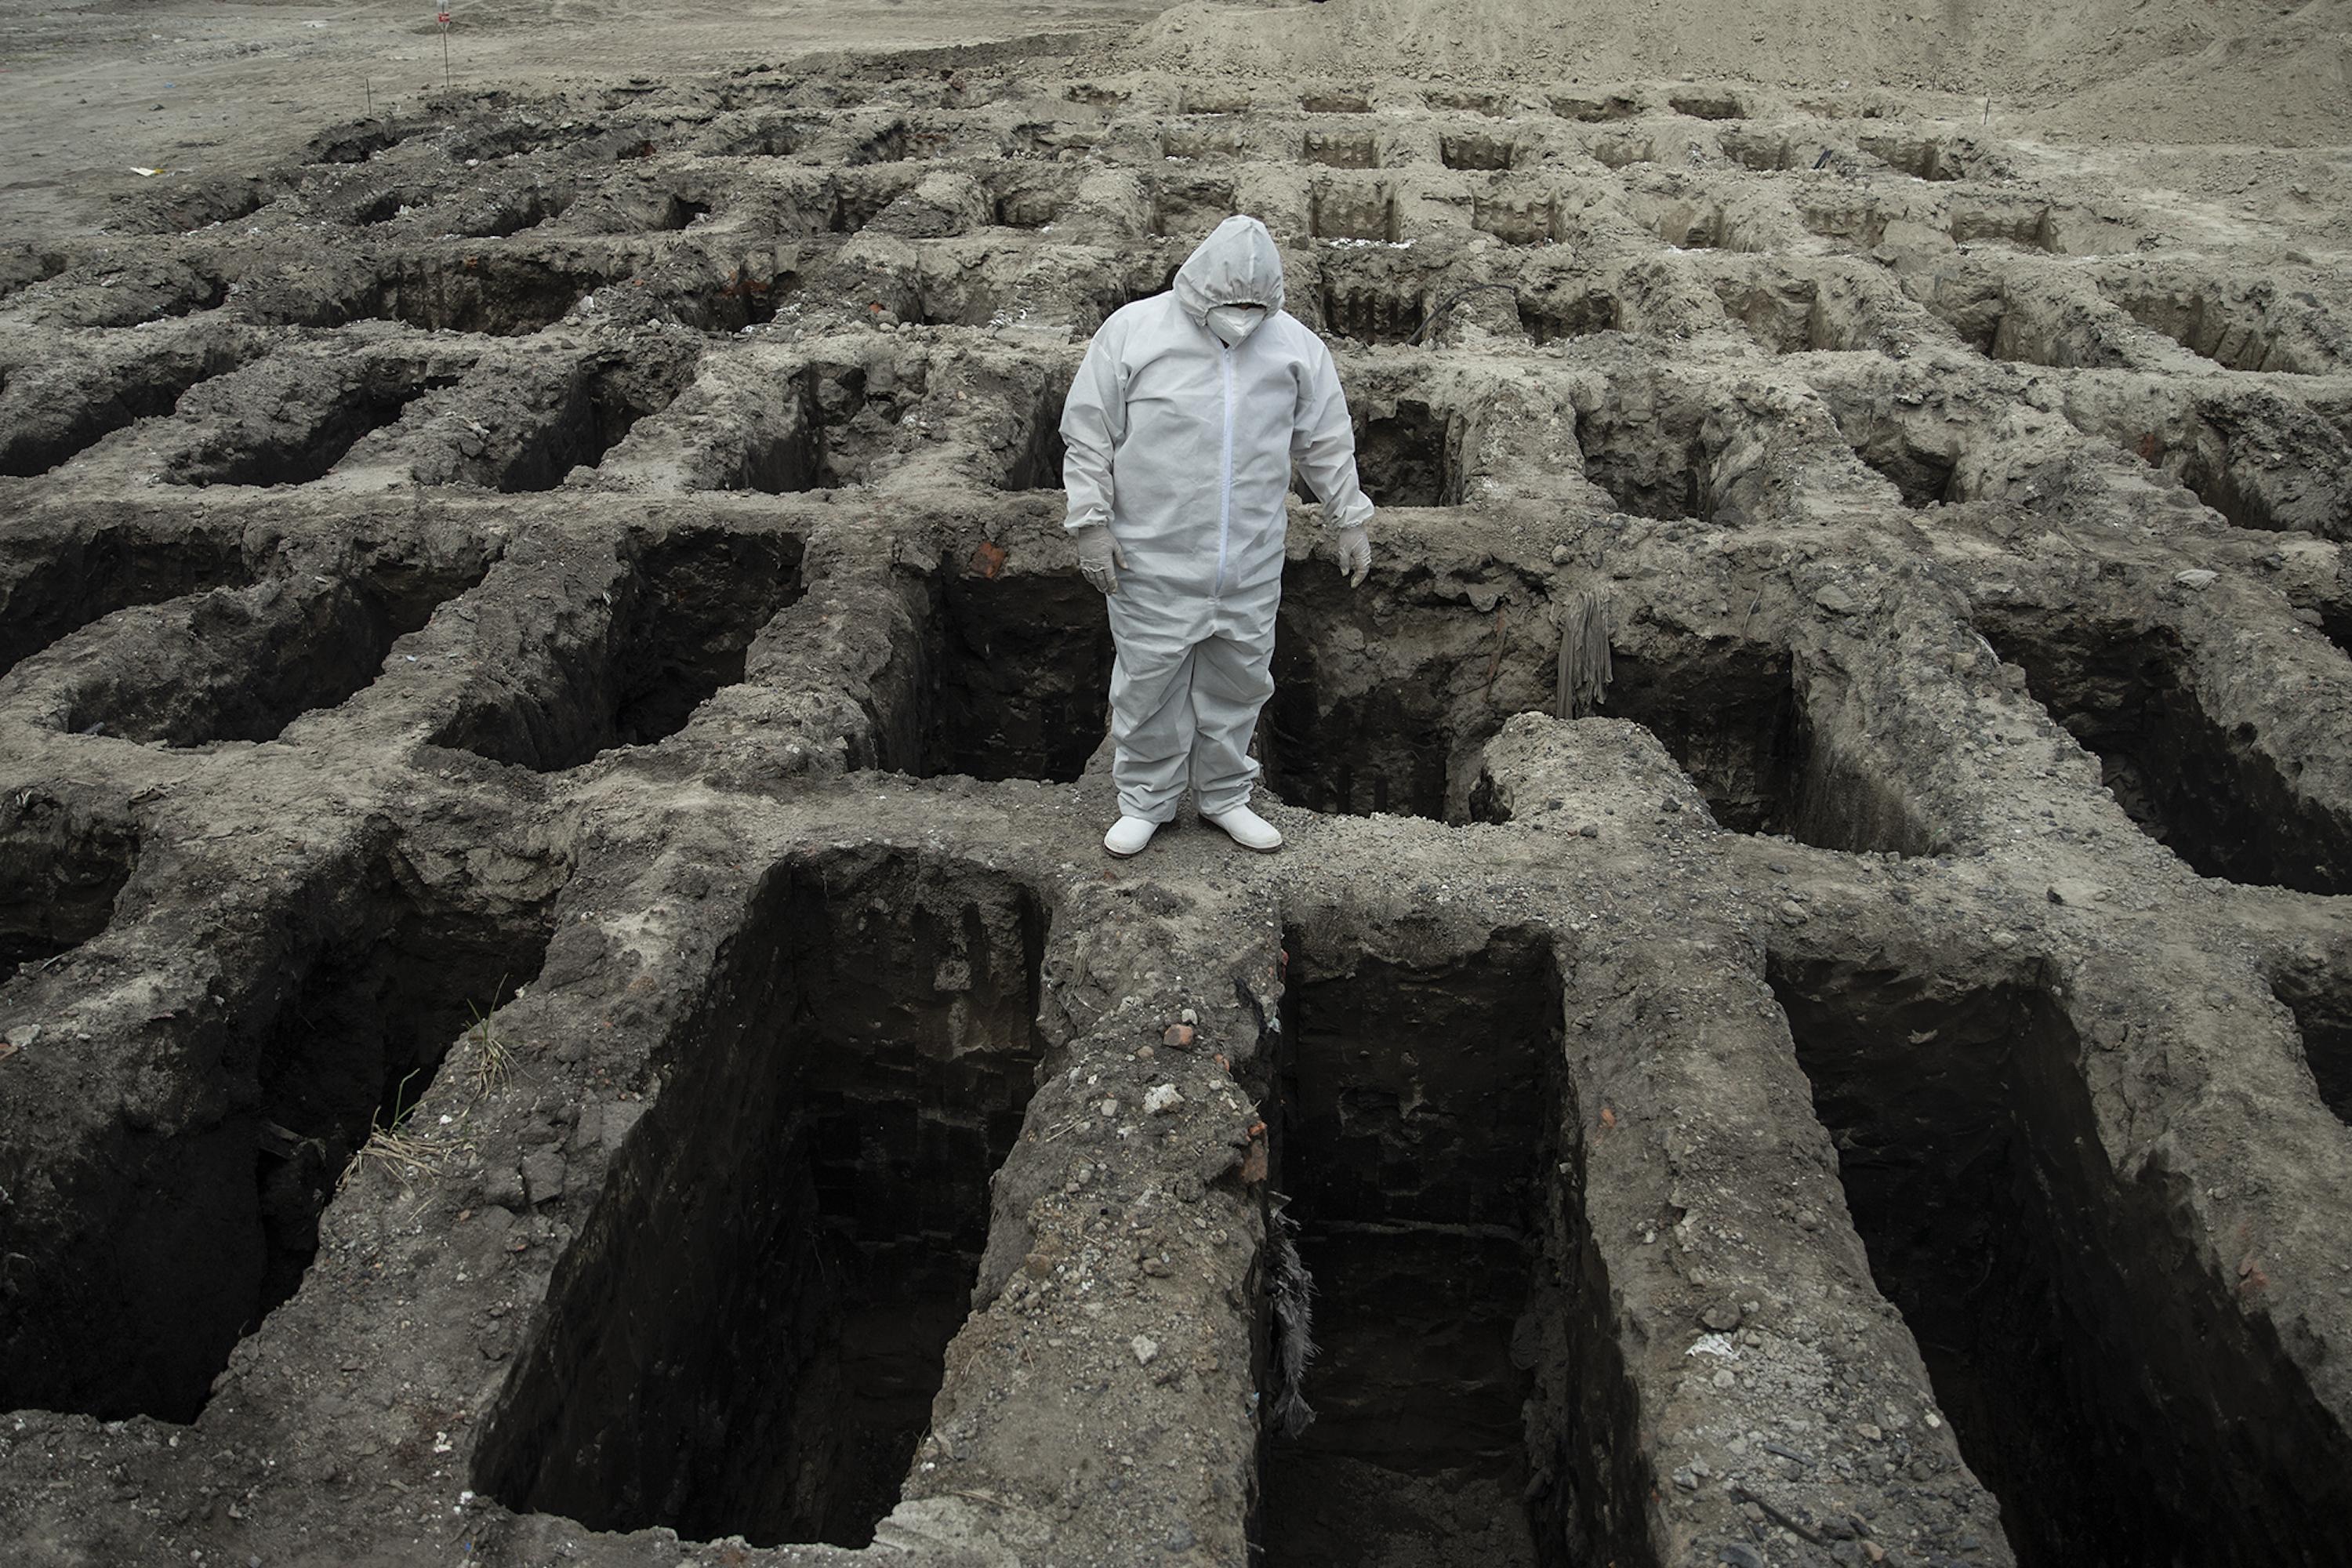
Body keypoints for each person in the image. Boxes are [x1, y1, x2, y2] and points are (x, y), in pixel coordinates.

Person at [1060, 213, 1375, 858]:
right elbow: (1088, 432)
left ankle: (1226, 795)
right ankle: (1146, 800)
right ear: (1197, 290)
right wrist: (1091, 522)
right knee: (1148, 682)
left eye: (1253, 307)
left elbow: (1325, 441)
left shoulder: (1293, 347)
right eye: (1229, 304)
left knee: (1239, 681)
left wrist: (1350, 518)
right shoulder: (1135, 334)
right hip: (1153, 556)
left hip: (1250, 558)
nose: (1240, 317)